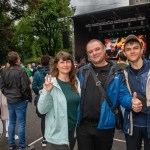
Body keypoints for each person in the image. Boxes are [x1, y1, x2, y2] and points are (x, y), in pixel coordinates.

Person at [76, 39, 142, 150]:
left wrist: (131, 103)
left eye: (97, 49)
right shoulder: (82, 71)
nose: (94, 53)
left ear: (104, 49)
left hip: (105, 126)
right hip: (83, 126)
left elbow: (123, 95)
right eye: (90, 51)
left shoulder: (117, 72)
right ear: (87, 55)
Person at [37, 51, 80, 150]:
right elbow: (42, 110)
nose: (65, 65)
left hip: (73, 130)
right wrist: (47, 92)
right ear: (56, 65)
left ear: (72, 64)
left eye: (68, 62)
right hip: (58, 133)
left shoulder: (76, 81)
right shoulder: (51, 82)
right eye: (62, 62)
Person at [0, 51, 34, 150]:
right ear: (17, 60)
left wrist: (8, 95)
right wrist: (27, 97)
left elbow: (2, 87)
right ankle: (22, 146)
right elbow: (25, 87)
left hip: (10, 100)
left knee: (12, 122)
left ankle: (11, 144)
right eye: (19, 58)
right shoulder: (21, 71)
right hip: (20, 100)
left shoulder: (4, 71)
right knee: (21, 123)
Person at [123, 34, 150, 150]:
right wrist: (130, 103)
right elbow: (121, 96)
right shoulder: (122, 74)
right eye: (128, 49)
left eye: (135, 48)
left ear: (142, 50)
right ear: (124, 53)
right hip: (132, 125)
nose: (132, 51)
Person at [32, 55, 51, 147]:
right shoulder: (54, 72)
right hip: (53, 98)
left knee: (44, 119)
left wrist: (40, 90)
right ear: (49, 62)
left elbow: (34, 87)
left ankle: (44, 139)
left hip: (41, 98)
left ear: (41, 62)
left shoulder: (37, 73)